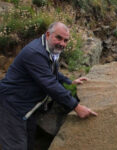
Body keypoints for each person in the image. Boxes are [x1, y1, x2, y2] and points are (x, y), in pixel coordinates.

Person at [0, 22, 97, 150]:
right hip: (12, 106)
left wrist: (69, 82)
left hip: (30, 108)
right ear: (48, 34)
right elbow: (49, 84)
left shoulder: (49, 48)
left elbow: (51, 72)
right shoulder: (35, 52)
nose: (62, 43)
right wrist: (76, 106)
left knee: (29, 145)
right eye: (59, 38)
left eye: (66, 40)